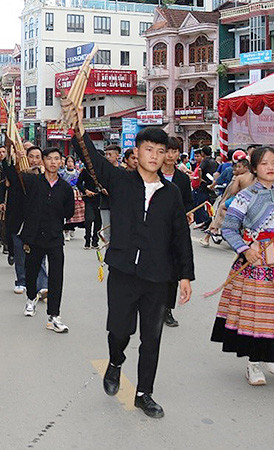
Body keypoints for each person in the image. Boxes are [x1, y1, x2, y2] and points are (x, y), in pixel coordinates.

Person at [72, 126, 194, 419]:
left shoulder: (172, 192)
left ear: (167, 156)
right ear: (136, 152)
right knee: (119, 329)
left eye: (160, 151)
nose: (154, 156)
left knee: (152, 337)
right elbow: (94, 161)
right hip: (124, 270)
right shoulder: (119, 181)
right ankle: (115, 361)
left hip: (158, 277)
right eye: (148, 150)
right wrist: (78, 131)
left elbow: (180, 236)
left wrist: (185, 275)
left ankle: (144, 394)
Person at [212, 147, 274, 386]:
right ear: (255, 168)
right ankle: (253, 363)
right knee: (257, 311)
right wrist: (245, 249)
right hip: (255, 257)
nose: (271, 167)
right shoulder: (245, 196)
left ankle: (273, 353)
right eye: (265, 163)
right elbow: (229, 227)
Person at [4, 147, 74, 332]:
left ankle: (54, 316)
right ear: (43, 161)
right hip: (34, 237)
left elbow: (69, 212)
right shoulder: (32, 182)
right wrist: (14, 159)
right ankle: (31, 298)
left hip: (55, 238)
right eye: (49, 158)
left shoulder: (65, 188)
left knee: (56, 276)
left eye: (56, 159)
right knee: (32, 270)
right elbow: (12, 176)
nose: (52, 162)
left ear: (61, 162)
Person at [5, 145, 49, 297]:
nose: (34, 160)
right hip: (20, 222)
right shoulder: (19, 176)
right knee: (20, 254)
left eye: (38, 157)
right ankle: (21, 281)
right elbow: (9, 173)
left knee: (40, 254)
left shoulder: (46, 177)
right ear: (26, 158)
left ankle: (42, 284)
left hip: (40, 223)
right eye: (31, 156)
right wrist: (15, 158)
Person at [159, 137, 192, 328]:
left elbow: (188, 202)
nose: (171, 156)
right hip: (154, 232)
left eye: (174, 151)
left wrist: (188, 213)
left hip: (175, 233)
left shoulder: (182, 178)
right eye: (167, 151)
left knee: (172, 273)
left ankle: (167, 309)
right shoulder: (152, 175)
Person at [99, 144, 124, 243]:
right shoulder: (102, 170)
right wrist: (101, 188)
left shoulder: (122, 171)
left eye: (110, 154)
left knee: (118, 231)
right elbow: (98, 183)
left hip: (119, 206)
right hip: (105, 204)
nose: (108, 157)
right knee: (107, 231)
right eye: (106, 155)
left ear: (117, 156)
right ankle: (108, 254)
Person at [77, 155, 102, 250]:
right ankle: (87, 239)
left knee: (98, 221)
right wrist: (86, 191)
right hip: (89, 198)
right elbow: (79, 183)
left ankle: (95, 241)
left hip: (100, 198)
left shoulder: (102, 170)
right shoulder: (85, 170)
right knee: (89, 219)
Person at [192, 146, 218, 227]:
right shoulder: (214, 161)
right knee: (210, 204)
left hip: (204, 185)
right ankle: (207, 221)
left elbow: (200, 169)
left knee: (200, 203)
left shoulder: (205, 161)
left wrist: (200, 179)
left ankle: (205, 220)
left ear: (203, 153)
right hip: (211, 184)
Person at [60, 155, 85, 241]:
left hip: (76, 195)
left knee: (75, 213)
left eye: (71, 162)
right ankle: (66, 231)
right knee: (67, 212)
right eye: (68, 162)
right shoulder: (62, 173)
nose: (70, 164)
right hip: (66, 194)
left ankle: (72, 228)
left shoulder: (78, 173)